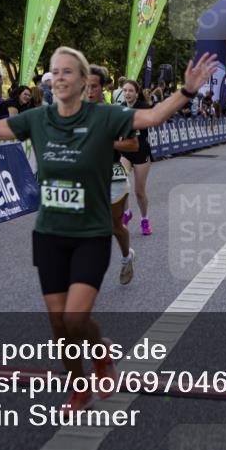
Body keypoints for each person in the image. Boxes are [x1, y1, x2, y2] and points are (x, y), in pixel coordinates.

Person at [0, 47, 218, 413]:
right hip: (50, 235)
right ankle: (81, 384)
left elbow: (151, 117)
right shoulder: (38, 119)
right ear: (49, 81)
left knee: (74, 318)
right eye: (55, 72)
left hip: (91, 234)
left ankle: (99, 359)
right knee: (60, 325)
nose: (61, 77)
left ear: (85, 82)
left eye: (69, 72)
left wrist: (188, 91)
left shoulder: (105, 116)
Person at [84, 64, 138, 285]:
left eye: (94, 87)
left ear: (104, 87)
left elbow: (134, 144)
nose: (89, 92)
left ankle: (127, 257)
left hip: (113, 176)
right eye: (85, 86)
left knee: (113, 227)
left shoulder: (116, 113)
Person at [119, 80, 154, 237]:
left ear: (136, 92)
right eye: (125, 90)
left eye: (130, 90)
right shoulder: (120, 107)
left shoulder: (144, 106)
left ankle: (145, 219)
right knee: (120, 184)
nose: (127, 93)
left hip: (140, 150)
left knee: (139, 191)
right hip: (125, 151)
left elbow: (145, 123)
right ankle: (126, 213)